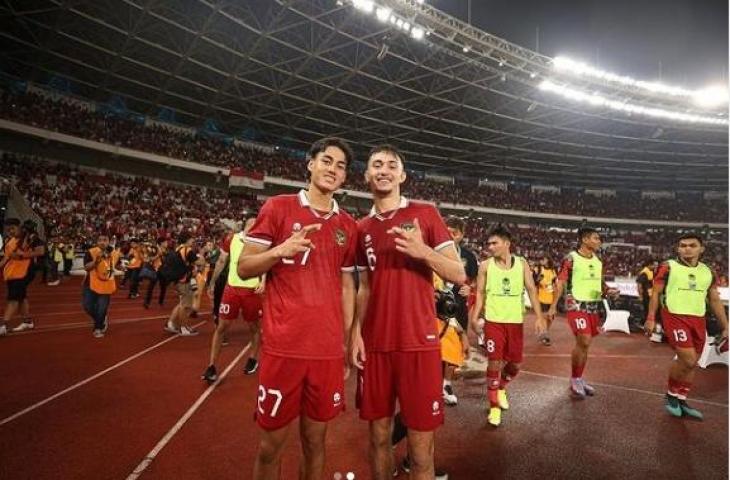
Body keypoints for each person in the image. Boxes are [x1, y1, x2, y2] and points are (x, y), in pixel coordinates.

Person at [238, 137, 357, 480]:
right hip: (284, 348)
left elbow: (348, 286)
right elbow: (245, 267)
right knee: (269, 446)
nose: (333, 169)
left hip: (326, 351)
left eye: (340, 166)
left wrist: (346, 341)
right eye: (327, 161)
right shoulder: (277, 207)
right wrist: (280, 251)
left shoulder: (347, 225)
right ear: (310, 164)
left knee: (315, 443)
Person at [349, 144, 466, 480]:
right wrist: (355, 333)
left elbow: (457, 274)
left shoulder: (426, 214)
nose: (383, 170)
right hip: (375, 346)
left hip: (419, 343)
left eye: (391, 165)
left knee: (420, 448)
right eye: (376, 165)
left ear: (402, 175)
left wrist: (421, 250)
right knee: (378, 439)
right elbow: (364, 287)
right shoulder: (361, 228)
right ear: (367, 175)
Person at [645, 233, 728, 419]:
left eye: (692, 245)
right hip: (674, 316)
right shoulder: (668, 267)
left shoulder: (708, 271)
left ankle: (681, 399)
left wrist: (726, 326)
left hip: (698, 318)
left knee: (692, 363)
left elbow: (714, 299)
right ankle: (670, 395)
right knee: (688, 359)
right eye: (683, 245)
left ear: (701, 249)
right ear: (678, 248)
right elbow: (656, 293)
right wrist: (651, 317)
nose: (687, 248)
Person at [469, 225, 545, 427]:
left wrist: (539, 316)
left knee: (516, 365)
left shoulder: (522, 264)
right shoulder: (485, 266)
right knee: (494, 362)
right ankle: (494, 407)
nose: (490, 246)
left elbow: (531, 289)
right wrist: (474, 317)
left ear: (507, 244)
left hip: (515, 322)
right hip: (494, 321)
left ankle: (501, 387)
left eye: (494, 243)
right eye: (489, 243)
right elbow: (480, 294)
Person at [547, 227, 619, 398]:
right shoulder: (570, 259)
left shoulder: (598, 260)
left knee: (585, 345)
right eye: (596, 238)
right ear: (585, 240)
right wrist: (553, 306)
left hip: (593, 306)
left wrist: (608, 291)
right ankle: (574, 379)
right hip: (576, 304)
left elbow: (599, 283)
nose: (599, 241)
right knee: (584, 340)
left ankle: (578, 378)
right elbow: (561, 282)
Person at [202, 215, 264, 384]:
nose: (254, 226)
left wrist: (264, 281)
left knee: (254, 327)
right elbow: (222, 261)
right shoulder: (233, 239)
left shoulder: (262, 242)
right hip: (232, 289)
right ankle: (212, 366)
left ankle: (252, 358)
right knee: (222, 327)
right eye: (252, 223)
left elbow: (267, 263)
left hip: (252, 291)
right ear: (245, 225)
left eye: (257, 223)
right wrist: (213, 283)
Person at [442, 216, 479, 405]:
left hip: (458, 305)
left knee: (456, 344)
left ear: (462, 235)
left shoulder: (468, 256)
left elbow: (474, 279)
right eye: (447, 231)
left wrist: (470, 288)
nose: (450, 235)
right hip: (436, 306)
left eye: (454, 233)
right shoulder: (434, 251)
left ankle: (446, 383)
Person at [0, 219, 45, 335]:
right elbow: (6, 258)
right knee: (21, 297)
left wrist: (23, 256)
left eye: (12, 228)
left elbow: (41, 251)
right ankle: (28, 321)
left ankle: (4, 324)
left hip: (24, 273)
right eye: (8, 229)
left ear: (19, 227)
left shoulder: (31, 238)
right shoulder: (9, 241)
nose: (10, 231)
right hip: (11, 274)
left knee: (13, 298)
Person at [82, 234, 121, 338]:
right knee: (87, 306)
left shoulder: (114, 253)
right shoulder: (91, 252)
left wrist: (123, 267)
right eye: (100, 240)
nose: (102, 242)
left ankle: (98, 327)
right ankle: (101, 318)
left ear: (108, 241)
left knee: (102, 308)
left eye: (105, 240)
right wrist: (97, 260)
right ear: (97, 242)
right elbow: (86, 267)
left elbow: (118, 265)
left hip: (106, 285)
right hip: (90, 283)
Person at [163, 233, 200, 336]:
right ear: (187, 239)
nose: (193, 241)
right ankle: (183, 328)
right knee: (186, 306)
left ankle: (171, 323)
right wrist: (202, 254)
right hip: (184, 280)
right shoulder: (187, 250)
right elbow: (199, 262)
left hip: (178, 280)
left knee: (181, 304)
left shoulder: (178, 248)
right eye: (192, 239)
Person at [535, 256, 557, 346]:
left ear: (547, 260)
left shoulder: (553, 271)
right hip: (541, 297)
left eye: (543, 259)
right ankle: (544, 335)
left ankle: (544, 332)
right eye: (540, 259)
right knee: (543, 317)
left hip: (551, 297)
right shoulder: (539, 269)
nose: (541, 261)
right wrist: (537, 280)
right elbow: (534, 282)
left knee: (550, 318)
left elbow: (555, 284)